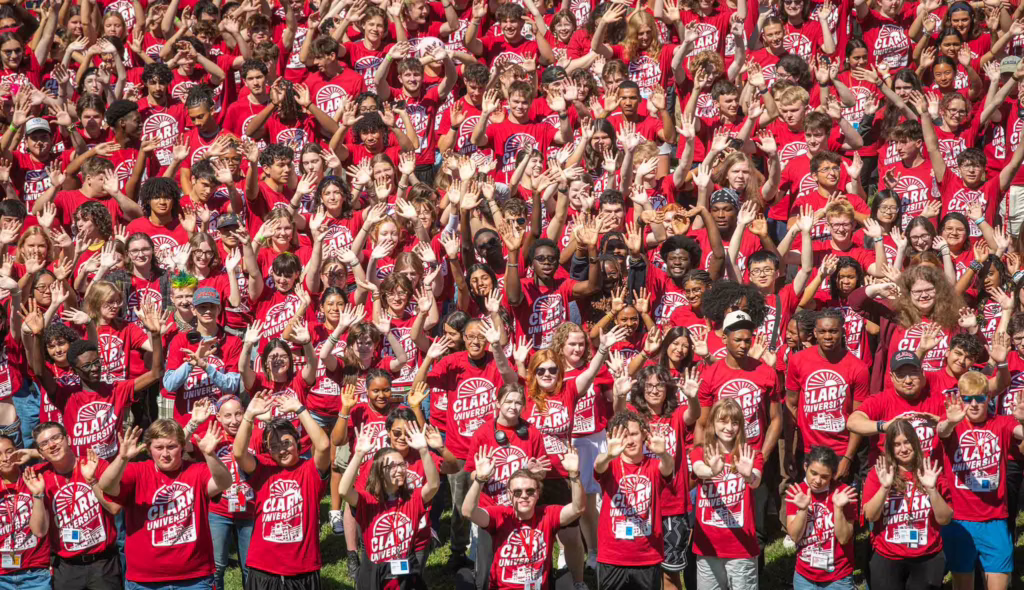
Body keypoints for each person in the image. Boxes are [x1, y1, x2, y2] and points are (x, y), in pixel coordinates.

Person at [95, 419, 233, 589]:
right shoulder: (137, 471)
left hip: (194, 577)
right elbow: (106, 485)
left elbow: (224, 483)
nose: (165, 454)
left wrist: (210, 455)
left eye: (171, 447)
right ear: (149, 448)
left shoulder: (197, 471)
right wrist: (122, 458)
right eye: (158, 448)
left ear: (182, 446)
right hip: (145, 580)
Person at [231, 389, 332, 589]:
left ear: (298, 443)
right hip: (263, 570)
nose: (282, 450)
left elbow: (323, 446)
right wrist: (249, 416)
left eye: (286, 443)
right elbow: (239, 453)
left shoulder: (309, 471)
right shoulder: (263, 468)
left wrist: (300, 409)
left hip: (303, 570)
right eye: (274, 446)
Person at [462, 444, 586, 590]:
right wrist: (480, 479)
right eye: (517, 492)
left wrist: (574, 475)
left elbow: (578, 508)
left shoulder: (547, 514)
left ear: (538, 493)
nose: (524, 496)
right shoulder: (500, 515)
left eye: (530, 491)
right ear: (509, 494)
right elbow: (468, 512)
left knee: (566, 580)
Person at [340, 417, 441, 589]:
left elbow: (433, 485)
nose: (399, 470)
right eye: (392, 466)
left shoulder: (412, 499)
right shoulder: (368, 501)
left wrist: (424, 450)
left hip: (404, 574)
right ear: (379, 471)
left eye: (401, 465)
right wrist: (358, 455)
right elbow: (343, 491)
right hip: (374, 574)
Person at [863, 420, 952, 590]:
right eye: (896, 444)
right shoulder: (879, 474)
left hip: (927, 555)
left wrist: (932, 489)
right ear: (890, 448)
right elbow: (871, 516)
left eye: (907, 442)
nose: (903, 449)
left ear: (915, 442)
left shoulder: (931, 471)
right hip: (888, 555)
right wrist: (885, 487)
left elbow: (945, 519)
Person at [593, 409, 674, 590]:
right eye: (625, 436)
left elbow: (668, 469)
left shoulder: (652, 465)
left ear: (644, 435)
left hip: (646, 556)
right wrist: (608, 454)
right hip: (612, 556)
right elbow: (598, 465)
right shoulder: (611, 464)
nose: (630, 441)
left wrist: (664, 453)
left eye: (634, 434)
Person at [784, 446, 859, 590]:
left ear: (833, 475)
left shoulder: (845, 493)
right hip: (804, 576)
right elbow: (794, 536)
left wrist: (838, 508)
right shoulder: (796, 492)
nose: (817, 481)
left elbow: (844, 538)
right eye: (813, 473)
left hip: (838, 577)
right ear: (805, 466)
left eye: (824, 476)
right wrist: (802, 509)